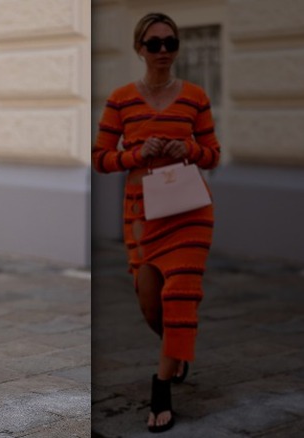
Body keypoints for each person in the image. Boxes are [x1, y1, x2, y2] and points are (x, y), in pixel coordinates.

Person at [92, 12, 220, 433]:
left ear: (177, 48)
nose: (162, 51)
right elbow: (101, 158)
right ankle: (177, 348)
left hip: (188, 212)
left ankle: (161, 386)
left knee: (180, 295)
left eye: (170, 43)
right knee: (150, 302)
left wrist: (188, 147)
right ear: (139, 48)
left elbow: (213, 154)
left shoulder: (195, 96)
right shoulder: (122, 98)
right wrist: (136, 155)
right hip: (142, 212)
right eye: (154, 44)